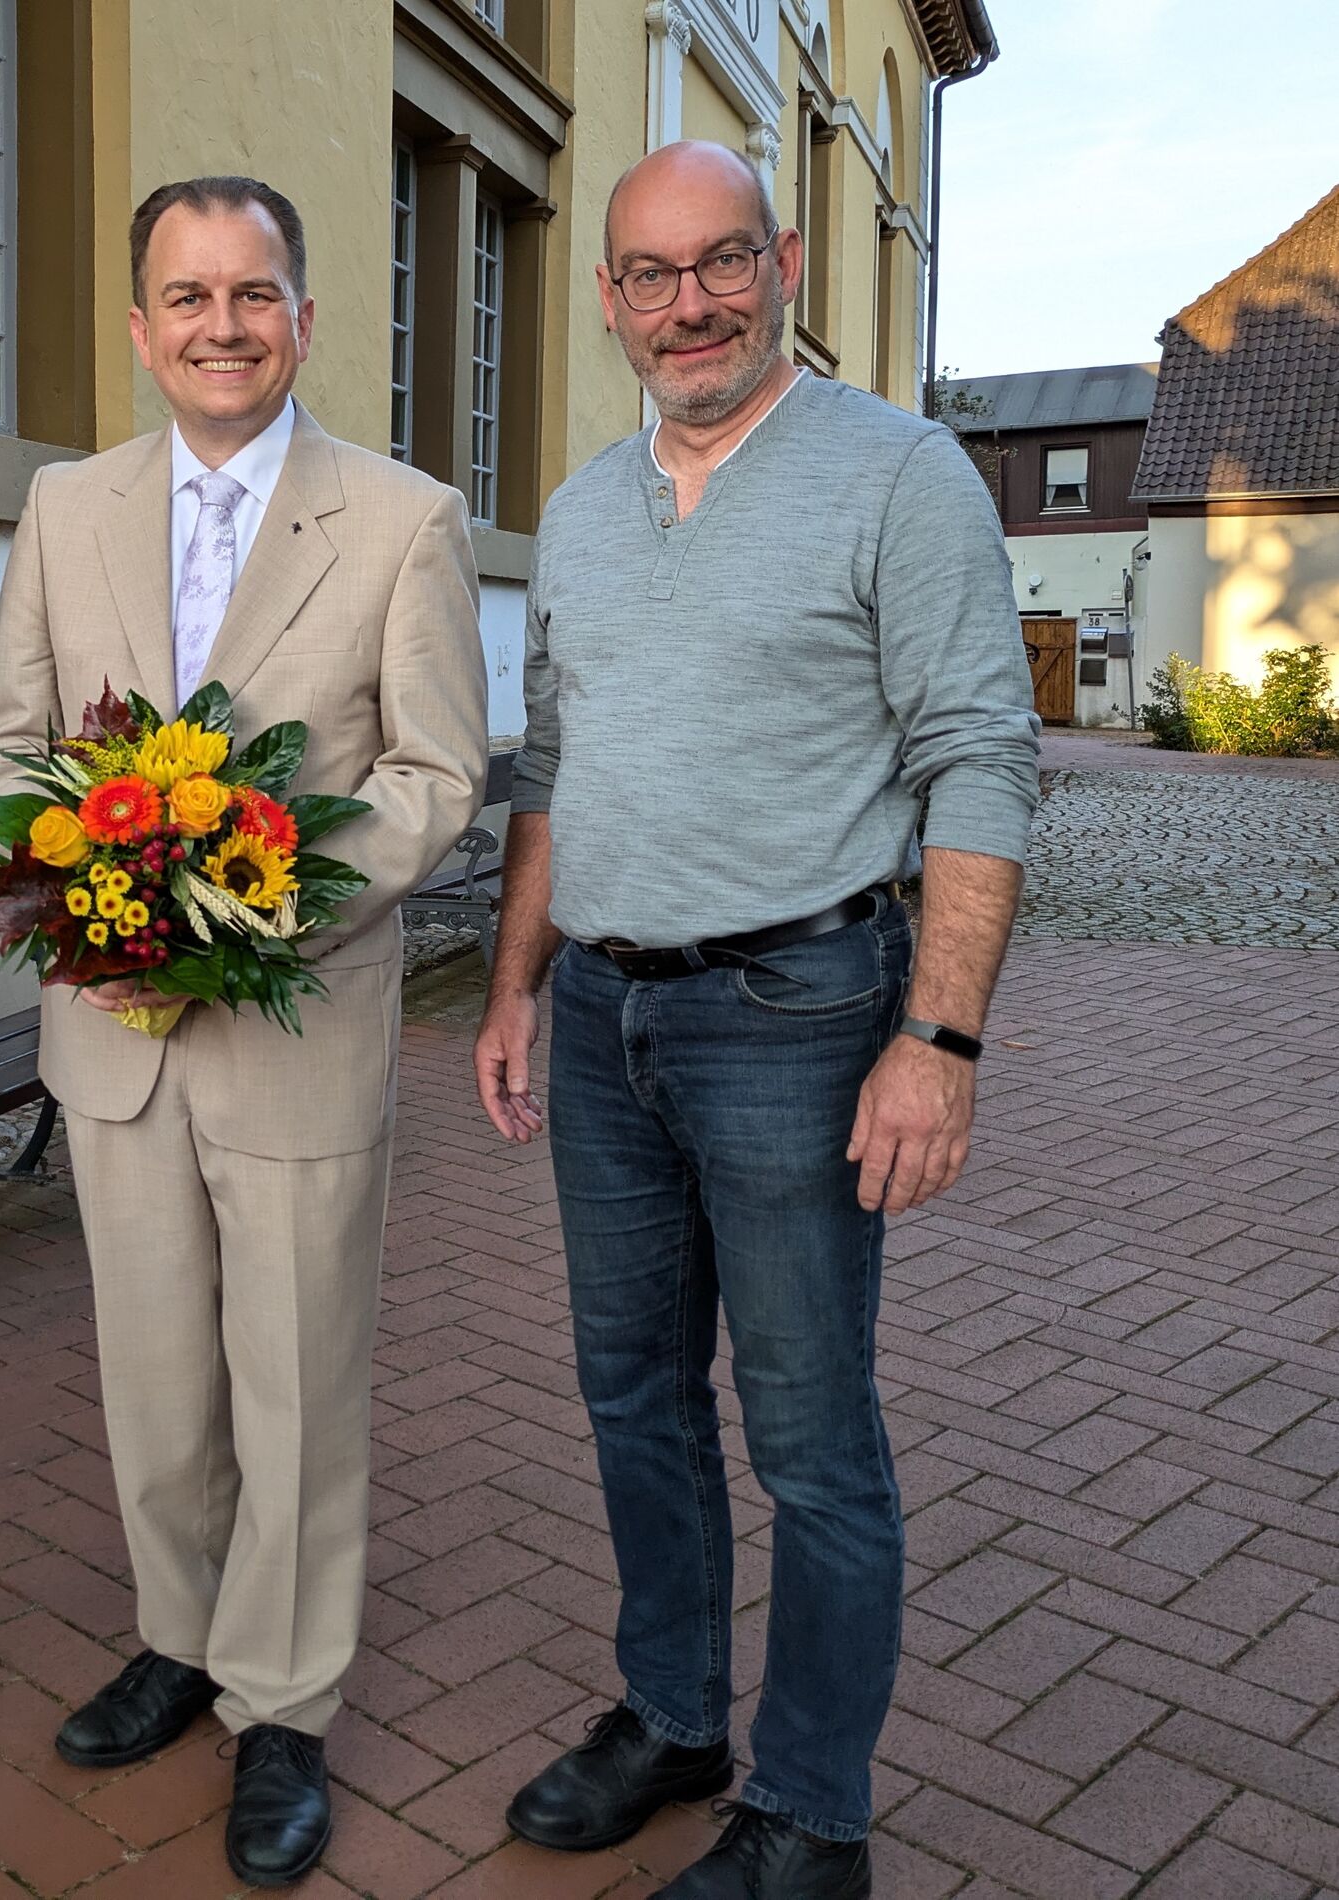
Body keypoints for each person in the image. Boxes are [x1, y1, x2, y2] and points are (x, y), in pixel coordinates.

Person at [472, 142, 1039, 1900]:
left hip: (803, 1012)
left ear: (782, 261)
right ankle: (673, 1718)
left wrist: (937, 1043)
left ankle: (811, 1817)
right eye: (649, 275)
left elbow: (980, 761)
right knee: (633, 1395)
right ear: (608, 298)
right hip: (604, 1022)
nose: (688, 303)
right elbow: (559, 769)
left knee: (809, 1436)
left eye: (720, 263)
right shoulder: (579, 506)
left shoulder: (900, 476)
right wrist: (513, 978)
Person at [0, 176, 486, 1886]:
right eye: (185, 297)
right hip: (114, 1028)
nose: (220, 325)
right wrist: (85, 877)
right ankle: (178, 1638)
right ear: (140, 328)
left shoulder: (404, 517)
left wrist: (261, 895)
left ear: (306, 318)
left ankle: (284, 1704)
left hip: (294, 1021)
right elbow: (8, 746)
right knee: (155, 1379)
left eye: (252, 293)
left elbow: (434, 776)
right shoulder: (65, 504)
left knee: (295, 1380)